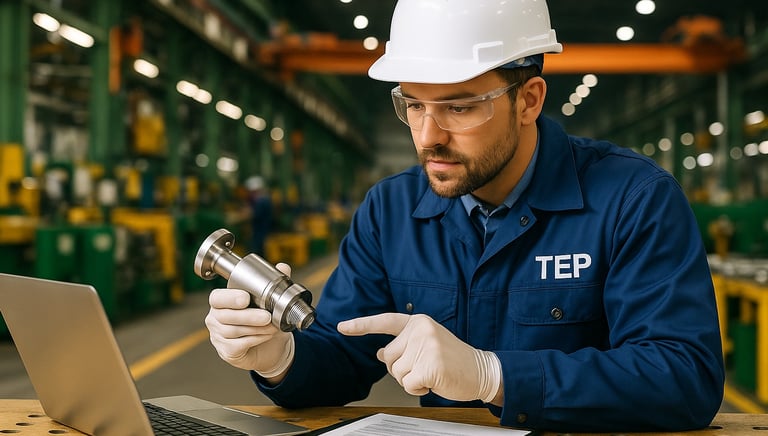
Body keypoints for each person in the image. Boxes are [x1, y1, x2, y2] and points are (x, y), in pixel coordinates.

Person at [205, 0, 725, 432]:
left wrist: (492, 375)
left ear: (529, 99)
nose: (429, 136)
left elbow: (684, 376)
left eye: (459, 107)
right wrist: (277, 357)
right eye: (413, 105)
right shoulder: (390, 212)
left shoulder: (633, 199)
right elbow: (342, 356)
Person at [244, 176, 272, 256]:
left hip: (261, 228)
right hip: (262, 227)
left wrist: (248, 213)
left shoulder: (262, 201)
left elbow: (256, 215)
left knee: (259, 247)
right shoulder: (264, 199)